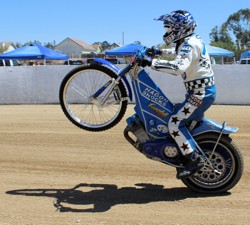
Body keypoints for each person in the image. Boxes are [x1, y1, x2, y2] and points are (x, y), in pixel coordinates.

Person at [149, 10, 216, 179]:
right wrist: (158, 53)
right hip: (201, 92)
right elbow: (177, 55)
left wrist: (151, 62)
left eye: (169, 28)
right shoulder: (189, 41)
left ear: (180, 28)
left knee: (174, 123)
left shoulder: (189, 44)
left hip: (200, 94)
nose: (167, 32)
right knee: (175, 116)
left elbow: (178, 67)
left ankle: (193, 159)